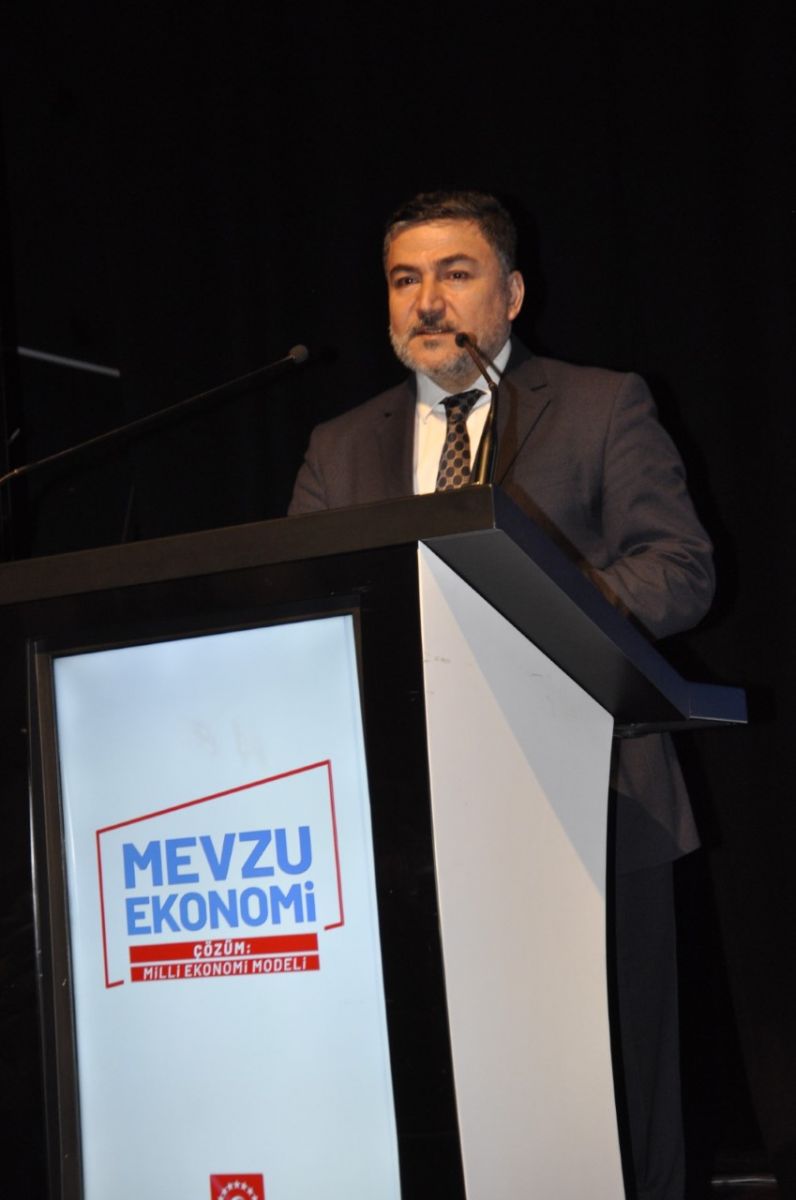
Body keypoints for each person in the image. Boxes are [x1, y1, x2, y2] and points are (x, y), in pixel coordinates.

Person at [289, 190, 714, 1200]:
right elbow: (306, 604)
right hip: (410, 824)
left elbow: (680, 568)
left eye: (456, 273)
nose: (427, 301)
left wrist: (545, 612)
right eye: (404, 280)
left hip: (593, 801)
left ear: (512, 294)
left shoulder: (602, 405)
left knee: (616, 1097)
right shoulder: (339, 446)